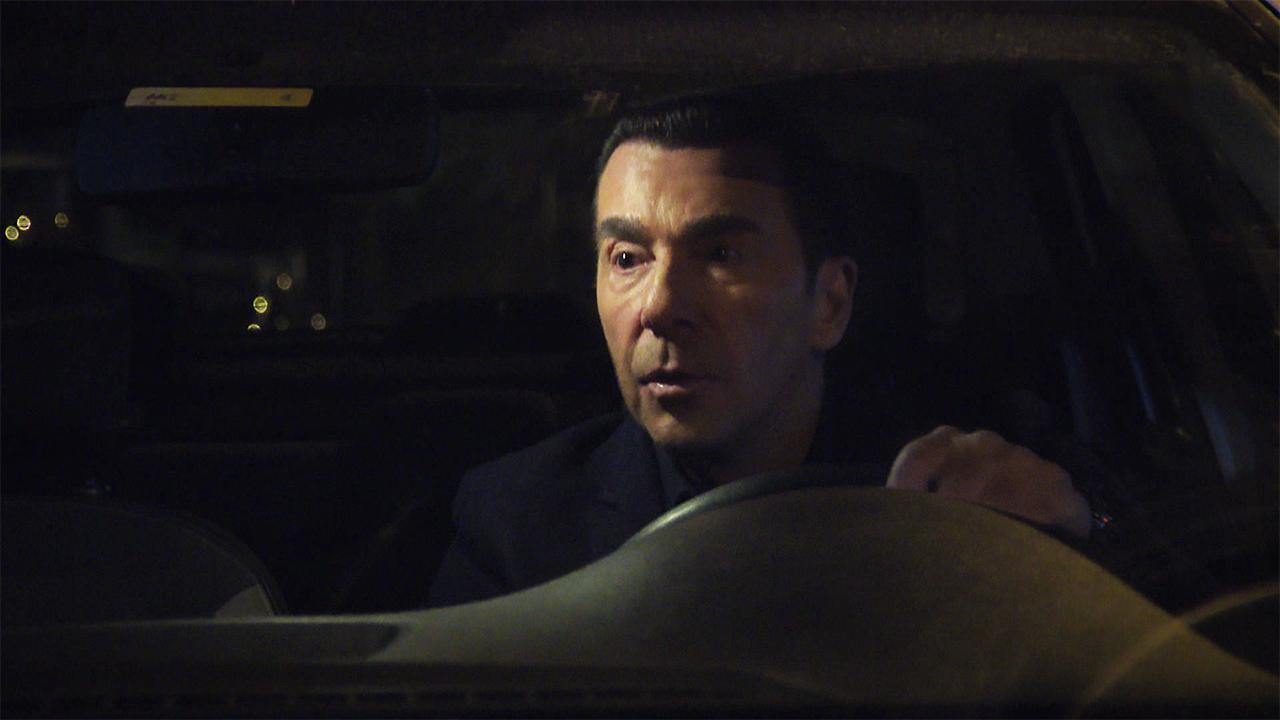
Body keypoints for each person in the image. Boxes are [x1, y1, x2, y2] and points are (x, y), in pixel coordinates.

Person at [426, 94, 1092, 608]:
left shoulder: (962, 490)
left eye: (720, 254)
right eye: (627, 258)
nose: (658, 306)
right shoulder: (521, 523)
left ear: (828, 303)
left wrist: (1080, 530)